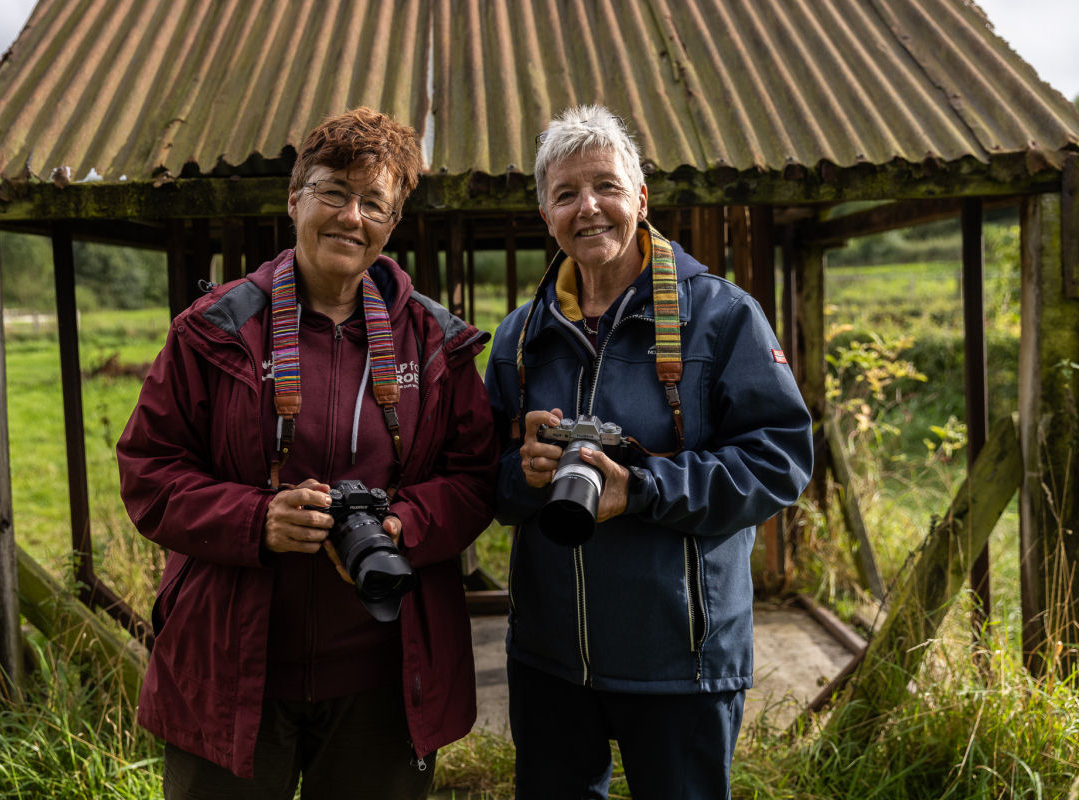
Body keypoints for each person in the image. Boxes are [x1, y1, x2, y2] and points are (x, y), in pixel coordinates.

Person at [118, 107, 498, 799]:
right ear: (294, 198)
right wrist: (254, 520)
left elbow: (475, 477)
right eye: (333, 192)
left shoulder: (433, 341)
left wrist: (402, 525)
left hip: (385, 674)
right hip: (232, 665)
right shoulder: (215, 331)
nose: (351, 216)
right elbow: (149, 470)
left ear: (392, 222)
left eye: (373, 202)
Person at [484, 104, 814, 799]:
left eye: (605, 185)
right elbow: (483, 478)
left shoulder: (721, 317)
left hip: (682, 657)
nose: (589, 208)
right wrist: (526, 471)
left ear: (639, 195)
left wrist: (642, 489)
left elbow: (780, 458)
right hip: (549, 658)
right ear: (545, 214)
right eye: (566, 194)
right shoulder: (519, 338)